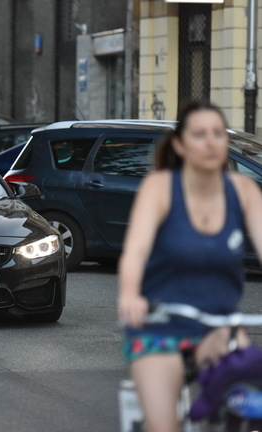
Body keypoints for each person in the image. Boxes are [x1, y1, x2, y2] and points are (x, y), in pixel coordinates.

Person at [117, 101, 262, 432]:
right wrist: (129, 294)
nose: (210, 142)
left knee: (252, 409)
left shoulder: (243, 191)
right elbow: (135, 251)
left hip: (218, 326)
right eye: (199, 135)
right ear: (180, 145)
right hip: (159, 324)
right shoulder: (161, 187)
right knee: (164, 425)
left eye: (217, 134)